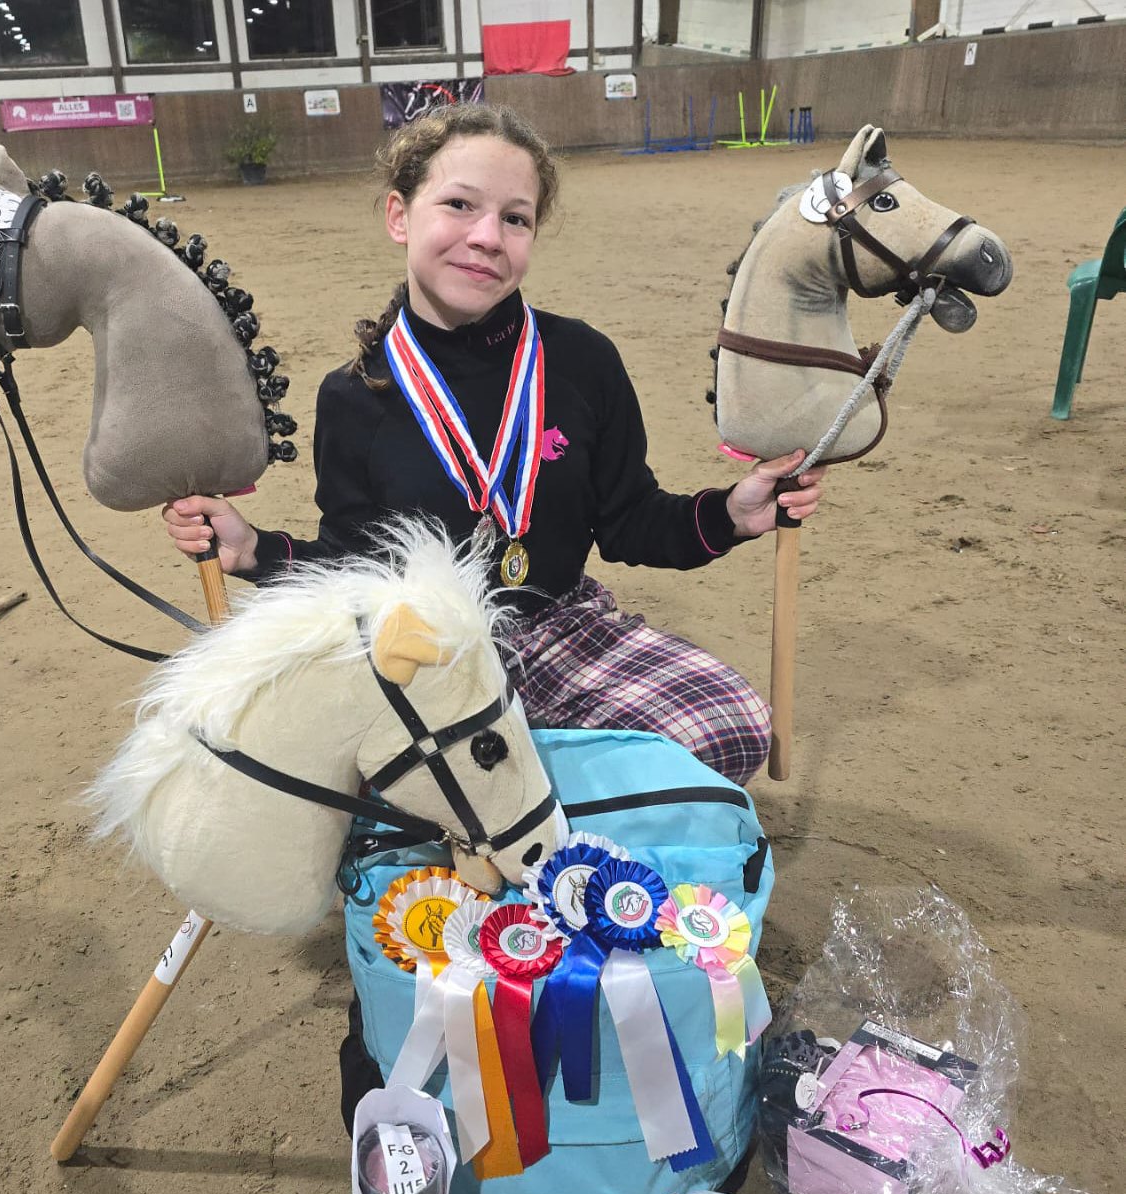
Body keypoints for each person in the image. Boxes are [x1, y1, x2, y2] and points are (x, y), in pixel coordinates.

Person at [164, 103, 824, 785]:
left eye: (515, 218)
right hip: (428, 659)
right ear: (399, 215)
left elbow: (630, 520)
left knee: (732, 727)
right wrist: (254, 551)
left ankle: (512, 788)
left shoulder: (583, 360)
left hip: (561, 631)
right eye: (459, 205)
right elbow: (355, 565)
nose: (487, 237)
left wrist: (731, 514)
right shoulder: (354, 396)